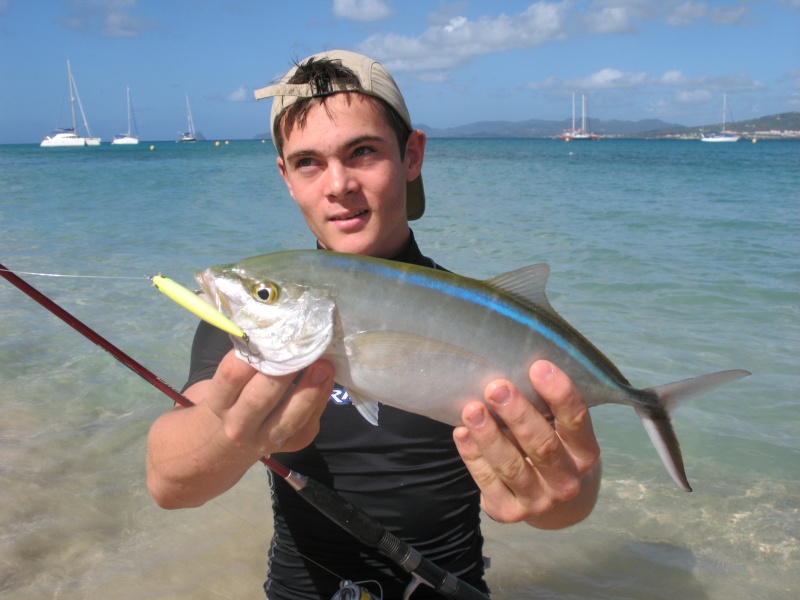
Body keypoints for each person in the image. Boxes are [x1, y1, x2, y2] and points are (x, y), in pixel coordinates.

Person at [146, 50, 602, 599]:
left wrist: (561, 496)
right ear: (286, 177)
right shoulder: (261, 308)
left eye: (362, 151)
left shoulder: (484, 320)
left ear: (412, 156)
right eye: (308, 162)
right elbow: (169, 482)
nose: (338, 184)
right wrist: (231, 430)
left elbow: (570, 494)